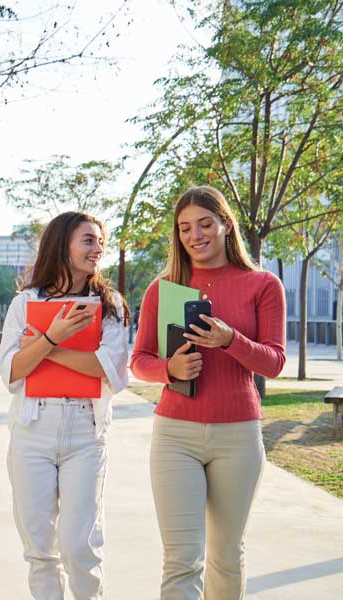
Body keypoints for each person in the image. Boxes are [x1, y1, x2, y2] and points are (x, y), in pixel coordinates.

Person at [130, 186, 285, 599]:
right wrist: (169, 368)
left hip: (238, 437)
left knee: (226, 556)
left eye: (204, 224)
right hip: (175, 436)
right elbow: (139, 360)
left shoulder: (262, 285)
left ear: (226, 225)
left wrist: (230, 339)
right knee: (181, 559)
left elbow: (273, 362)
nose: (195, 235)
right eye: (184, 228)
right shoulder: (164, 289)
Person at [0, 212, 130, 599]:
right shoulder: (24, 304)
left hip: (85, 432)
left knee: (79, 547)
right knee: (40, 549)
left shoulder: (110, 305)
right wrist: (52, 338)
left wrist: (46, 345)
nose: (98, 248)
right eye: (88, 240)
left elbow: (106, 370)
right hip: (32, 429)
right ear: (62, 244)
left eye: (100, 241)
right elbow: (12, 372)